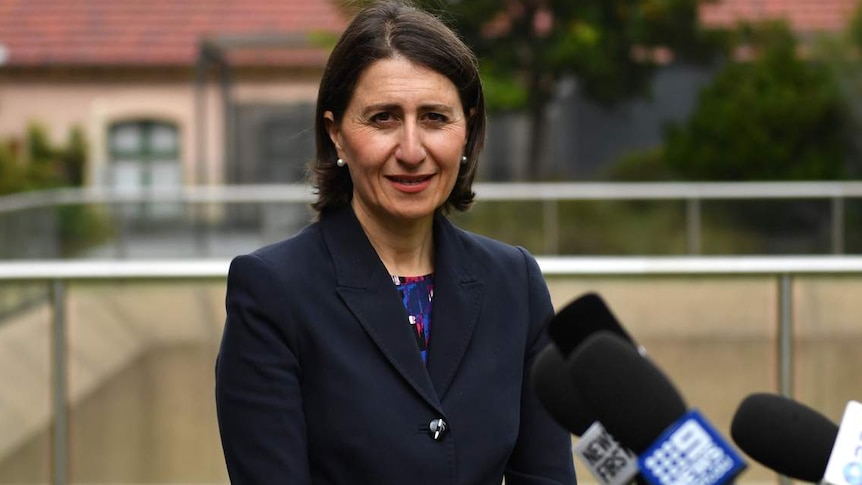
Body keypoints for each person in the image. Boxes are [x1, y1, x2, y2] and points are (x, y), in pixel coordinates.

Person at [215, 1, 577, 483]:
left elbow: (546, 475)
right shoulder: (272, 292)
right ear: (337, 134)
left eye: (434, 117)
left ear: (466, 130)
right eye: (384, 118)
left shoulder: (514, 282)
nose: (411, 150)